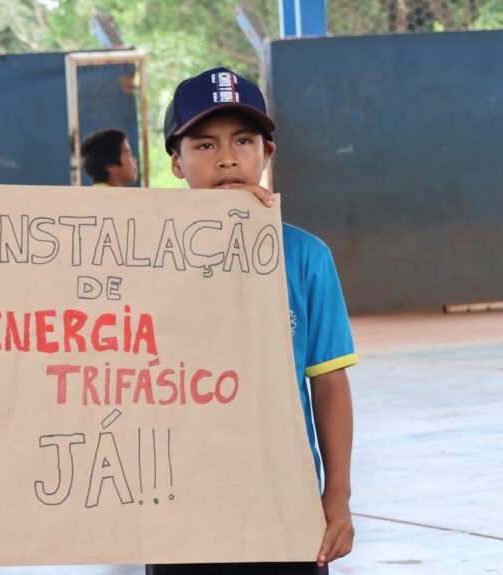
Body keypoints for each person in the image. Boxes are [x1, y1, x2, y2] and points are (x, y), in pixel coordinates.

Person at [147, 67, 357, 575]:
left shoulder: (306, 256)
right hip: (174, 506)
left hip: (283, 502)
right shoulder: (142, 257)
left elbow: (328, 381)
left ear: (267, 152)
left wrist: (338, 494)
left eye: (243, 140)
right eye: (204, 145)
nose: (226, 158)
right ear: (175, 162)